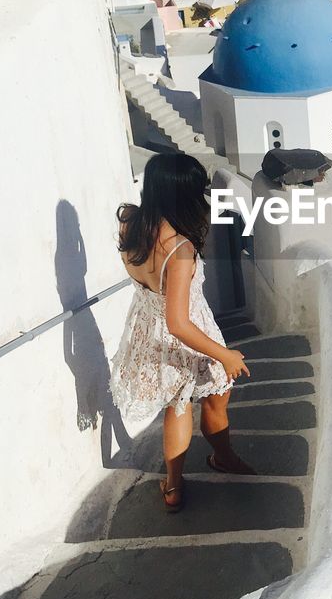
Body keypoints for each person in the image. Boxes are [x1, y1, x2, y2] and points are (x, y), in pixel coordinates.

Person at [109, 153, 254, 513]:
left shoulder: (129, 221)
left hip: (146, 326)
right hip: (188, 331)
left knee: (179, 406)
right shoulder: (179, 248)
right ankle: (223, 457)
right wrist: (225, 354)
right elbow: (179, 322)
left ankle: (173, 487)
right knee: (217, 395)